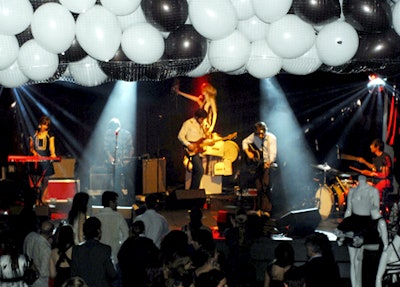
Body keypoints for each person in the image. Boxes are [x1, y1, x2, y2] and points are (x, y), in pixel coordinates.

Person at [334, 175, 388, 287]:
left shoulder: (373, 191)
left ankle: (362, 283)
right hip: (353, 222)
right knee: (353, 261)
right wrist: (342, 226)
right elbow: (348, 210)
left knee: (361, 259)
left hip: (366, 224)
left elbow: (376, 210)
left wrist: (377, 226)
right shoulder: (352, 191)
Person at [71, 217, 117, 287]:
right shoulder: (105, 249)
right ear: (98, 231)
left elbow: (74, 274)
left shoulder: (76, 250)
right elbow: (112, 274)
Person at [242, 121, 277, 212]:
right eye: (258, 135)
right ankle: (258, 207)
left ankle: (267, 209)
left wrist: (268, 162)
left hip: (268, 164)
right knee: (258, 187)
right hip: (259, 164)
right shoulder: (254, 136)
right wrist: (248, 152)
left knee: (266, 186)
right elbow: (245, 141)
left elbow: (273, 155)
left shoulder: (271, 138)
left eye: (262, 134)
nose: (260, 136)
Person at [117, 220, 160, 287]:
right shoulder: (149, 243)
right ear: (143, 230)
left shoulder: (128, 243)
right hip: (145, 279)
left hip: (129, 278)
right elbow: (156, 258)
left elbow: (120, 257)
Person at [103, 117, 135, 205]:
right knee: (116, 181)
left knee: (128, 181)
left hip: (125, 162)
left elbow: (131, 148)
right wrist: (110, 158)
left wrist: (127, 160)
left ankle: (131, 200)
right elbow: (106, 149)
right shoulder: (108, 134)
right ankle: (118, 199)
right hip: (114, 163)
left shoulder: (126, 134)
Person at [94, 191, 129, 266]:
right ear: (111, 202)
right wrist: (119, 245)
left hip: (98, 254)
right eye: (115, 201)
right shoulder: (118, 216)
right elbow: (126, 234)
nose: (117, 204)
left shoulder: (96, 217)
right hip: (114, 253)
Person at [177, 109, 209, 189]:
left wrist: (208, 141)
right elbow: (180, 136)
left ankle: (192, 191)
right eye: (202, 118)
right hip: (191, 150)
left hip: (198, 150)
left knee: (196, 171)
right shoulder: (188, 123)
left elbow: (200, 139)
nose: (202, 120)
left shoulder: (200, 126)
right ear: (197, 117)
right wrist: (188, 144)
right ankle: (194, 190)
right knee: (200, 170)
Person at [29, 115, 57, 204]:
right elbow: (31, 147)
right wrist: (35, 153)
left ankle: (43, 199)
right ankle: (36, 199)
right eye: (44, 124)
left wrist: (53, 154)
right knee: (36, 181)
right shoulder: (34, 133)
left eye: (47, 125)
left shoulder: (50, 134)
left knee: (46, 180)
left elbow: (52, 146)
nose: (45, 127)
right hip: (36, 160)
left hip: (46, 160)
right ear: (40, 124)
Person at [23, 220, 55, 287]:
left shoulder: (30, 236)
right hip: (40, 283)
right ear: (51, 233)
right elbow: (44, 273)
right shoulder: (46, 249)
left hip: (27, 280)